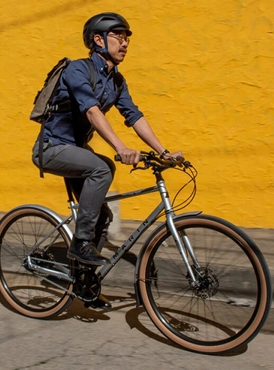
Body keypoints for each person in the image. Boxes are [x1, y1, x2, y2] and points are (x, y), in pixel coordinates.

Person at [31, 12, 182, 296]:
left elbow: (134, 116)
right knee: (102, 168)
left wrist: (164, 153)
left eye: (127, 37)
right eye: (118, 36)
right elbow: (91, 110)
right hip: (50, 147)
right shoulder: (77, 69)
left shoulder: (117, 81)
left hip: (75, 150)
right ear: (98, 40)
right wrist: (120, 148)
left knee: (102, 216)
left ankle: (83, 283)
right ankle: (80, 244)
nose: (125, 42)